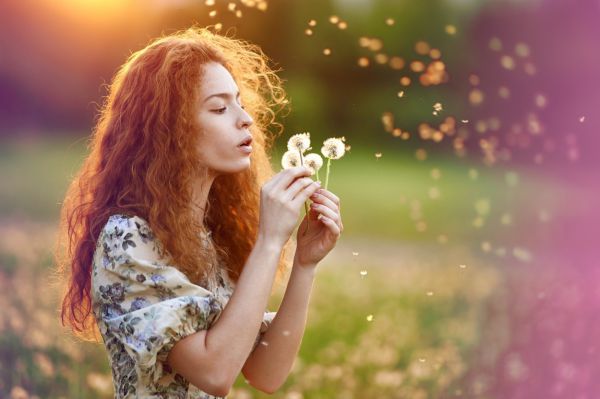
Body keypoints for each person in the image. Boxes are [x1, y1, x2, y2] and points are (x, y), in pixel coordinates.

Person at [55, 26, 343, 398]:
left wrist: (305, 263)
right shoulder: (128, 240)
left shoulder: (209, 236)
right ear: (170, 130)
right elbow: (215, 372)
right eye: (220, 108)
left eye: (239, 102)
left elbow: (266, 374)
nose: (245, 120)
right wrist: (270, 240)